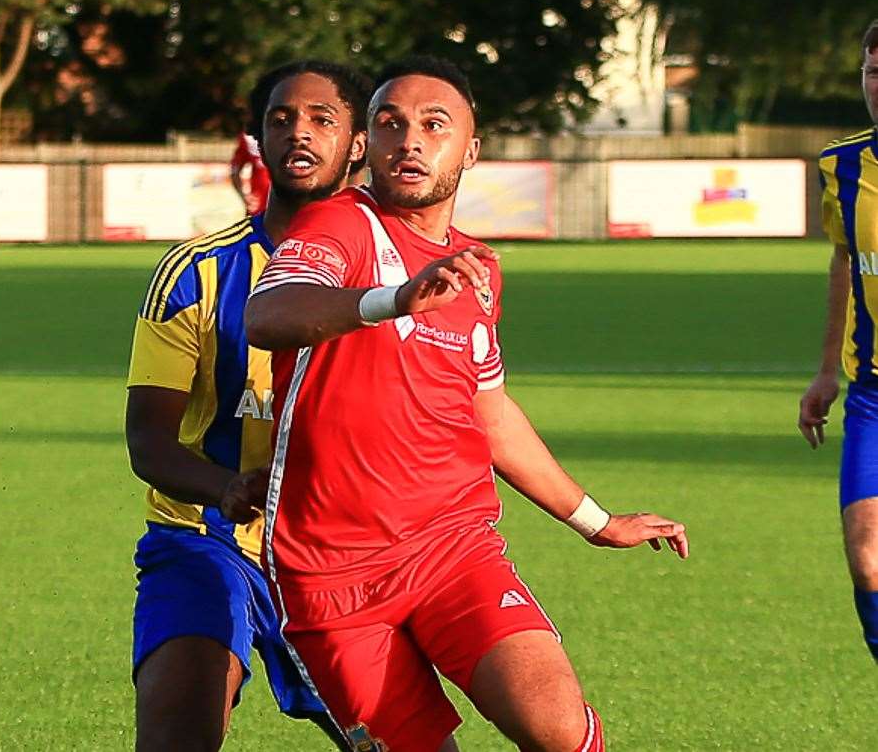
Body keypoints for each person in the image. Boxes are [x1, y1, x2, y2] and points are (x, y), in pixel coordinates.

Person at [244, 56, 689, 752]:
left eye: (433, 125)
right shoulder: (340, 224)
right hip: (330, 576)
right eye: (390, 124)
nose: (410, 141)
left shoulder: (476, 267)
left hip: (455, 550)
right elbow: (268, 313)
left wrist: (597, 521)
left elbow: (491, 413)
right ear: (368, 143)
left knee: (558, 726)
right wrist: (393, 299)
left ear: (470, 150)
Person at [125, 60, 373, 751]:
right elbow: (149, 443)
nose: (299, 131)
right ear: (259, 140)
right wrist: (228, 487)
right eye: (281, 118)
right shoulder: (193, 273)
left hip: (343, 554)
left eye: (323, 118)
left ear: (357, 142)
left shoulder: (387, 278)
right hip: (204, 542)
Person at [799, 19, 878, 662]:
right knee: (869, 561)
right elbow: (844, 262)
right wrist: (827, 371)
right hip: (873, 394)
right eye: (874, 72)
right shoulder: (841, 164)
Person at [230, 129, 271, 216]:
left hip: (288, 207)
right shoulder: (249, 138)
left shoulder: (293, 133)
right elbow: (234, 172)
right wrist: (244, 197)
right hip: (259, 208)